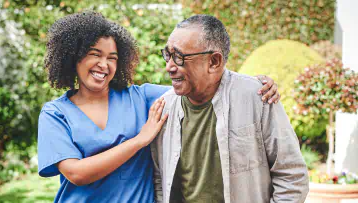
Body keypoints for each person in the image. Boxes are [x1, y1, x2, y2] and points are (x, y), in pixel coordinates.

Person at [38, 12, 280, 203]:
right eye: (95, 54)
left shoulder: (141, 97)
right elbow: (77, 173)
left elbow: (198, 82)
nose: (104, 64)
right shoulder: (56, 113)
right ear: (73, 57)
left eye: (112, 57)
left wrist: (256, 83)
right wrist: (139, 140)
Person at [151, 14, 309, 203]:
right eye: (168, 55)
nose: (169, 66)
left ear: (214, 62)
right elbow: (160, 178)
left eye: (179, 57)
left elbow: (291, 176)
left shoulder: (258, 97)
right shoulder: (163, 107)